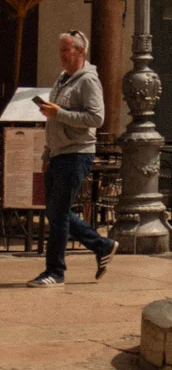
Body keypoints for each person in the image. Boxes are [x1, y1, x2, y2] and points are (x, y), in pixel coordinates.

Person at [28, 29, 117, 288]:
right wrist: (47, 153)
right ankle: (102, 245)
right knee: (57, 213)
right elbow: (55, 120)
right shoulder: (62, 78)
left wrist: (61, 113)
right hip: (57, 154)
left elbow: (96, 118)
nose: (62, 55)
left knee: (58, 215)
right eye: (60, 50)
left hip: (77, 153)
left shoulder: (88, 81)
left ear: (80, 52)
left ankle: (55, 272)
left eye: (66, 50)